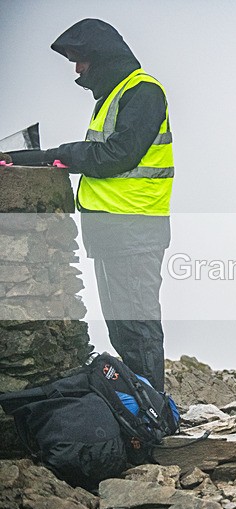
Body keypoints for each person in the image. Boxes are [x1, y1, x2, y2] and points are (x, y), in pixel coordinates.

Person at [11, 19, 174, 391]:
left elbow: (117, 155)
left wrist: (59, 154)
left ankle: (152, 414)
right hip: (114, 230)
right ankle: (142, 410)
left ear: (101, 58)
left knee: (137, 328)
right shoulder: (115, 96)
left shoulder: (143, 92)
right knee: (122, 328)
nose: (77, 70)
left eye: (80, 60)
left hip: (135, 229)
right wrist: (38, 158)